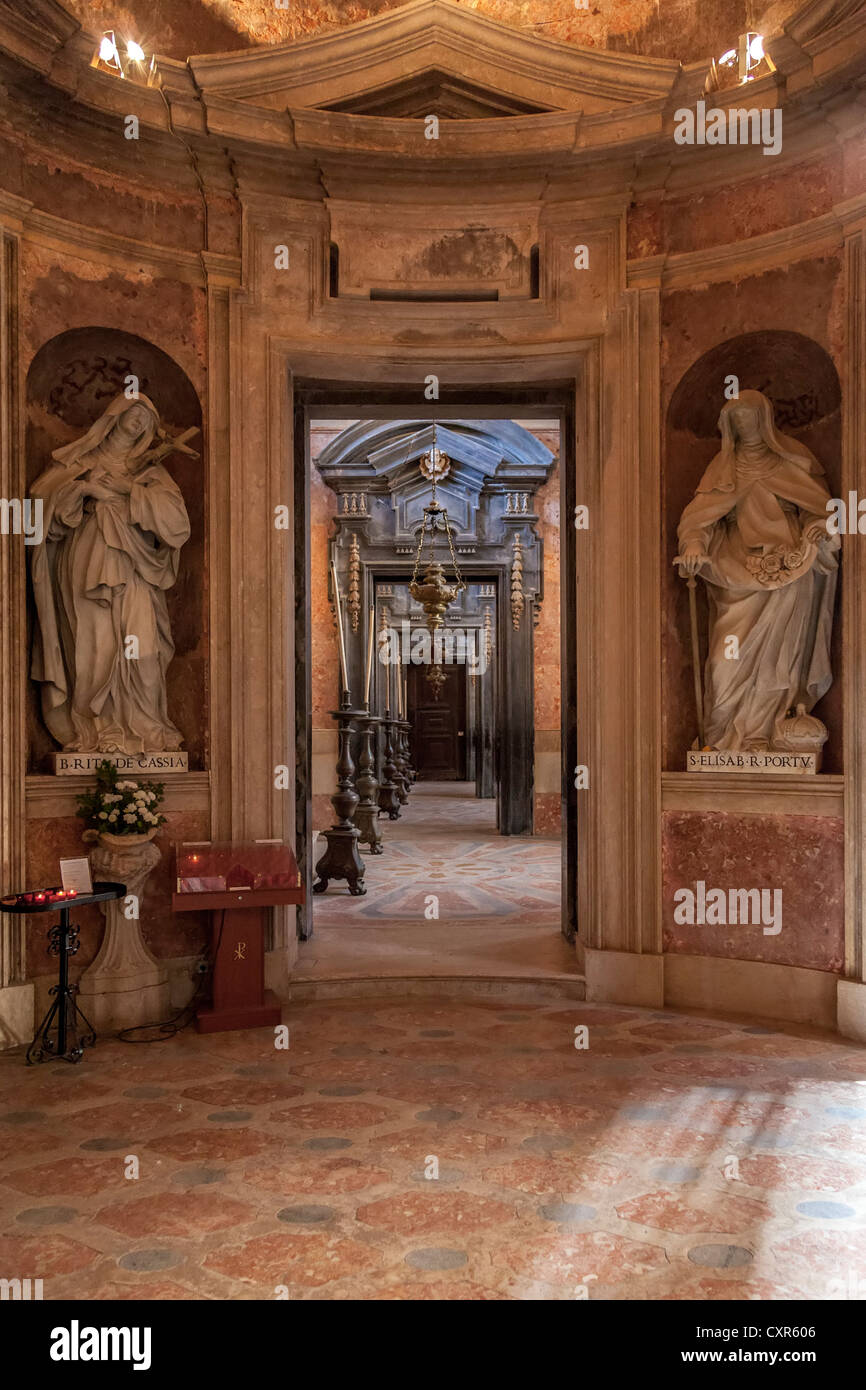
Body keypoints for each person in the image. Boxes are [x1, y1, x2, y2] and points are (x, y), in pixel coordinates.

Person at [30, 393, 194, 753]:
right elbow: (41, 501)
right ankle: (100, 729)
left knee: (144, 649)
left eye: (146, 418)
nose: (137, 422)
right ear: (114, 416)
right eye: (133, 413)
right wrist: (83, 489)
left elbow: (178, 525)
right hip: (89, 560)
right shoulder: (82, 460)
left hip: (136, 568)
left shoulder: (152, 471)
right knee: (95, 646)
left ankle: (147, 728)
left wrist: (128, 490)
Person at [676, 389, 839, 751]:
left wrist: (818, 528)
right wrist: (693, 545)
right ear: (729, 426)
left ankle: (763, 736)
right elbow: (697, 518)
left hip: (789, 571)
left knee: (779, 661)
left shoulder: (792, 462)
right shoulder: (722, 469)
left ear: (764, 420)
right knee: (723, 662)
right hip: (736, 573)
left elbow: (822, 510)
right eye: (737, 419)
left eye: (750, 417)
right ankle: (720, 740)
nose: (744, 425)